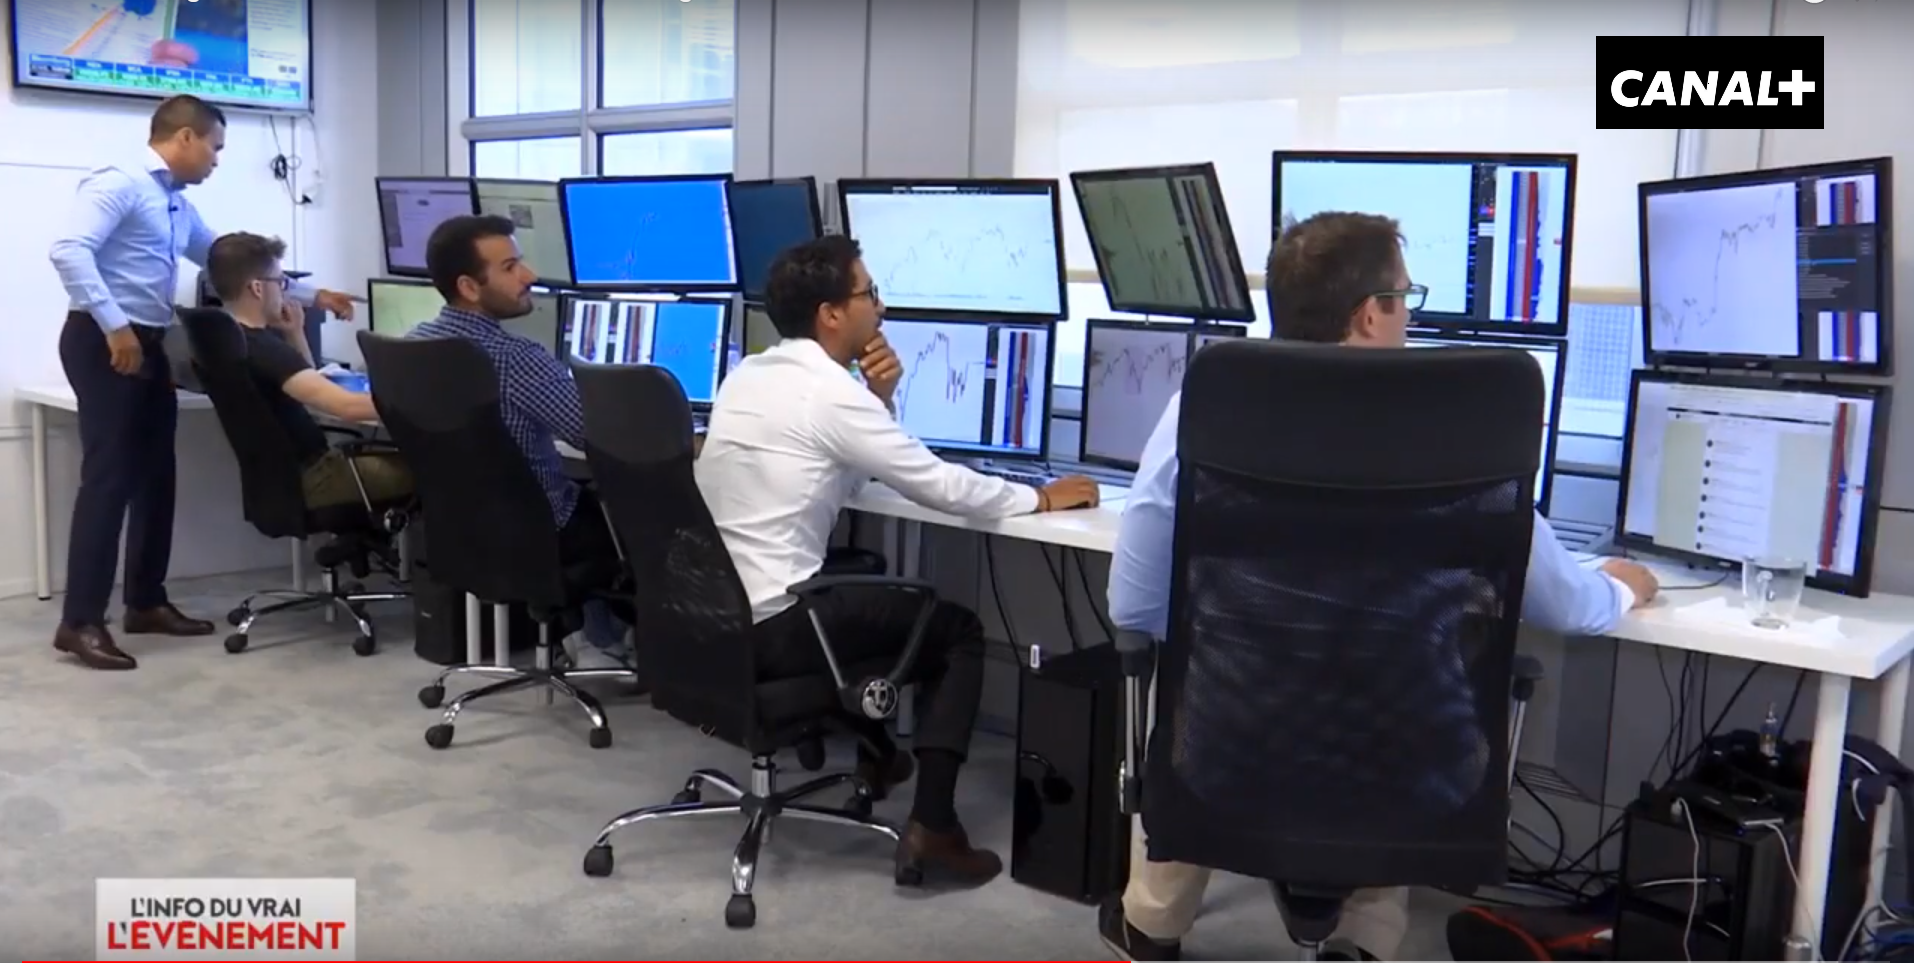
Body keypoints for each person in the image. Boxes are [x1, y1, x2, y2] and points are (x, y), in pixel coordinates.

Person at [1098, 211, 1662, 962]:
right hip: (1405, 763)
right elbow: (1564, 604)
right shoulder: (1453, 423)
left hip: (1229, 756)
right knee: (1400, 685)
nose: (1410, 315)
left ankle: (1152, 923)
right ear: (1371, 314)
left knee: (1208, 683)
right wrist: (1621, 588)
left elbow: (1134, 605)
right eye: (1406, 297)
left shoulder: (1206, 409)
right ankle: (1359, 946)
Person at [694, 235, 1102, 890]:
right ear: (831, 314)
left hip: (715, 616)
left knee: (873, 603)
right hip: (778, 623)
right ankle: (934, 826)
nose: (880, 308)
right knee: (956, 631)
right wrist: (1039, 497)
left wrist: (877, 398)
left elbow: (844, 472)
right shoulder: (830, 394)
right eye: (869, 293)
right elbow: (939, 485)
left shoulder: (750, 375)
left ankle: (879, 756)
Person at [47, 94, 358, 671]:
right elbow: (69, 251)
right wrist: (115, 325)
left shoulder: (174, 204)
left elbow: (231, 269)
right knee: (109, 480)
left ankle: (145, 601)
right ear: (185, 137)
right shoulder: (119, 183)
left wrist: (316, 295)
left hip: (147, 341)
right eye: (215, 147)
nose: (217, 160)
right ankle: (80, 622)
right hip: (104, 339)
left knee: (156, 476)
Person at [406, 215, 630, 669]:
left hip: (461, 532)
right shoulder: (515, 358)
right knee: (646, 516)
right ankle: (608, 642)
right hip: (544, 535)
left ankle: (589, 637)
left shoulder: (415, 345)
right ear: (469, 287)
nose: (529, 276)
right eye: (510, 267)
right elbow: (599, 435)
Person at [202, 232, 414, 510]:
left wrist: (295, 332)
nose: (285, 291)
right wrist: (427, 402)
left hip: (283, 483)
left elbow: (306, 384)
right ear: (257, 288)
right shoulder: (265, 349)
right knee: (438, 467)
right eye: (280, 282)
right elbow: (348, 408)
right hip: (319, 477)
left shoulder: (229, 341)